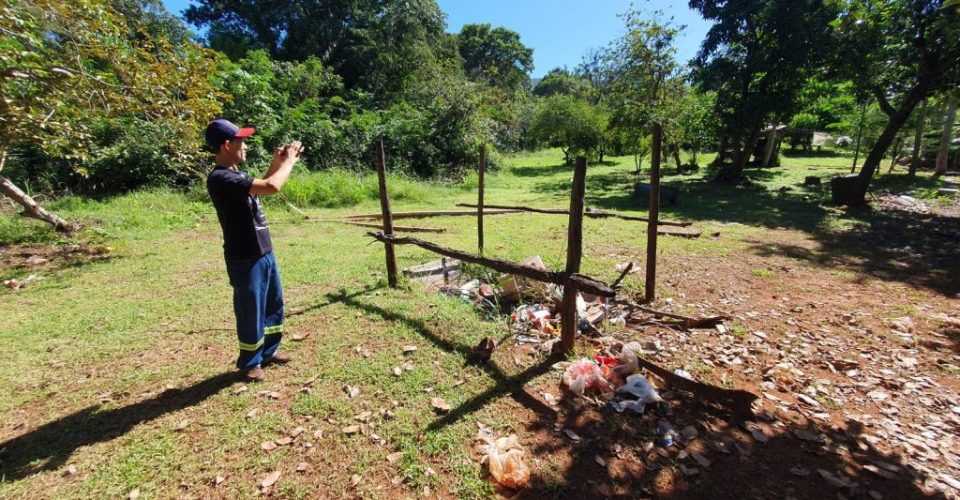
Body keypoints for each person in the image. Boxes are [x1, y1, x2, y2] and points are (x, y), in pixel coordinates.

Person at [204, 118, 303, 381]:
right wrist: (290, 161)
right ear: (226, 145)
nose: (245, 146)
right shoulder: (221, 178)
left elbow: (261, 186)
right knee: (251, 310)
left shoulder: (235, 173)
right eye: (241, 141)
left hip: (263, 251)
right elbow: (273, 186)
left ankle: (269, 351)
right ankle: (250, 362)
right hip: (244, 256)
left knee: (272, 305)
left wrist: (278, 161)